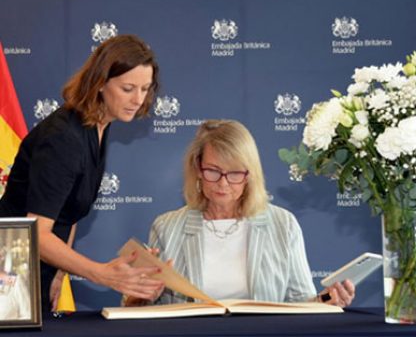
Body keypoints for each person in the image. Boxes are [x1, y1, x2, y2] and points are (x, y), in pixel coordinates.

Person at [0, 34, 165, 312]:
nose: (138, 99)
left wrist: (60, 273)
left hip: (36, 270)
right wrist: (101, 273)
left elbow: (68, 210)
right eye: (128, 88)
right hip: (9, 276)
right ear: (100, 83)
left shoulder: (97, 125)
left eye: (145, 89)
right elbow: (36, 233)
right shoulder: (64, 138)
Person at [126, 119, 355, 307]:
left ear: (250, 175)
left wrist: (328, 301)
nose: (223, 184)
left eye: (235, 173)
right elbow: (137, 307)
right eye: (213, 171)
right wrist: (142, 295)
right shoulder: (166, 227)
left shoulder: (282, 224)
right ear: (197, 167)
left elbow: (302, 304)